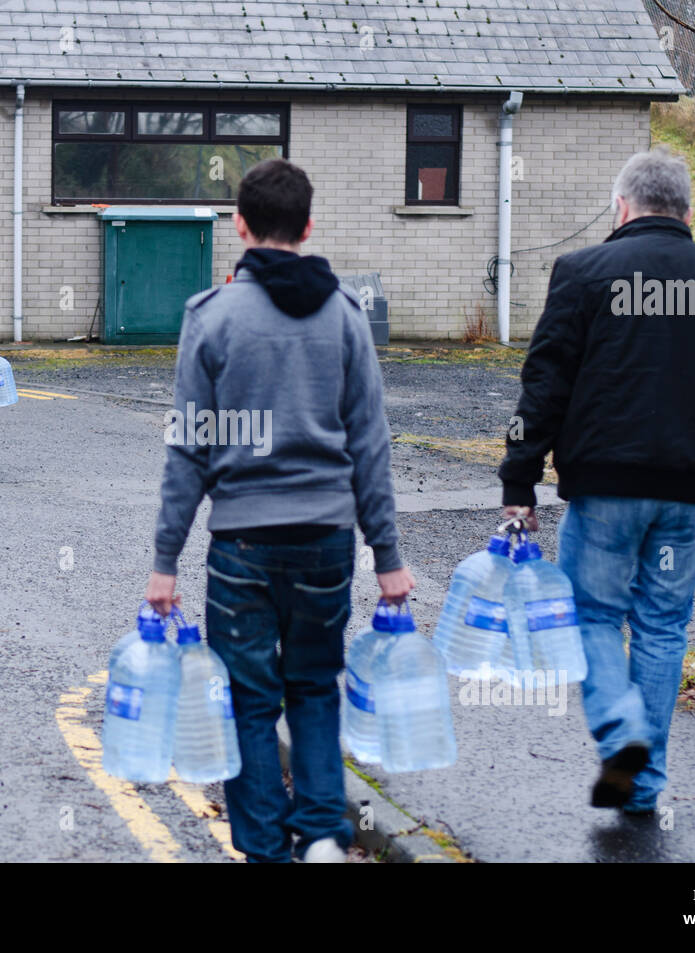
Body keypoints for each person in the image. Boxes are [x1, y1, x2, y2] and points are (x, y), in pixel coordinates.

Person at [144, 158, 415, 863]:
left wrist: (165, 560)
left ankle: (266, 851)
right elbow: (371, 447)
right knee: (314, 690)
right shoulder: (347, 316)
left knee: (249, 701)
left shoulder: (210, 317)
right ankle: (324, 833)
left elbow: (187, 454)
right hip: (326, 538)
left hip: (242, 540)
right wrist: (387, 557)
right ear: (309, 225)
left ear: (239, 224)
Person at [498, 147, 695, 815]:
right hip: (690, 492)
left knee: (592, 614)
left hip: (605, 487)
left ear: (621, 208)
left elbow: (543, 386)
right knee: (661, 626)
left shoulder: (583, 271)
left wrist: (519, 481)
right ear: (687, 212)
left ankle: (623, 738)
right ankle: (642, 784)